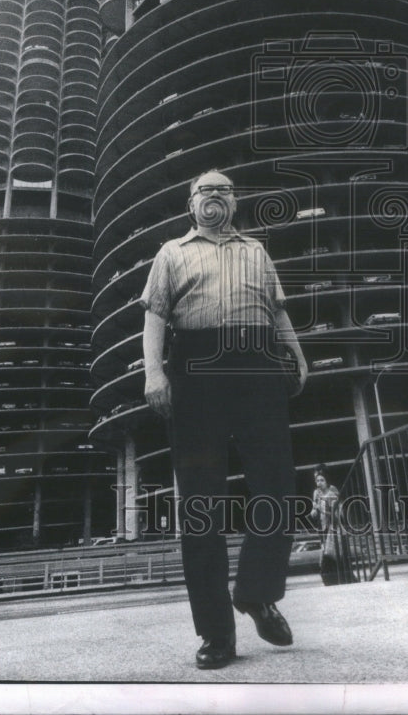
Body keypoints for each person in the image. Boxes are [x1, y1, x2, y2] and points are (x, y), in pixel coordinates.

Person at [141, 170, 308, 670]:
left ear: (234, 202)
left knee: (278, 484)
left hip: (257, 361)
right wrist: (154, 372)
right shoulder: (172, 251)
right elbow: (154, 315)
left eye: (225, 188)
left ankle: (256, 592)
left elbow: (277, 311)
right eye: (204, 190)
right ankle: (216, 634)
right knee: (200, 500)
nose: (214, 194)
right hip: (195, 365)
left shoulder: (256, 250)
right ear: (190, 203)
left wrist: (297, 354)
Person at [310, 465, 352, 585]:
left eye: (321, 479)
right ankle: (333, 580)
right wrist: (314, 510)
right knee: (326, 554)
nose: (318, 482)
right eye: (316, 479)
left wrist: (322, 510)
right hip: (323, 527)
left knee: (333, 555)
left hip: (334, 527)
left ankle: (339, 580)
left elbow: (337, 513)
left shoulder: (332, 491)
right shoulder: (316, 492)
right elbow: (315, 507)